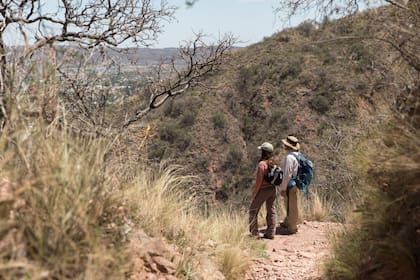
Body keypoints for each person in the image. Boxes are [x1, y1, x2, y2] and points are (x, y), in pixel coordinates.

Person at [249, 142, 277, 239]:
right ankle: (271, 233)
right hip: (273, 189)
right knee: (271, 210)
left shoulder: (262, 164)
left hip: (263, 190)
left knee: (253, 211)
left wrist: (254, 194)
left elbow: (258, 182)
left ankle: (254, 233)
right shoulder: (272, 162)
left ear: (263, 152)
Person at [278, 135, 301, 235]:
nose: (284, 146)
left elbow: (287, 174)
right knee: (291, 204)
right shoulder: (298, 155)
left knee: (291, 206)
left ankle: (292, 228)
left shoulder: (289, 158)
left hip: (289, 184)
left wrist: (283, 188)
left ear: (288, 146)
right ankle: (287, 222)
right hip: (295, 183)